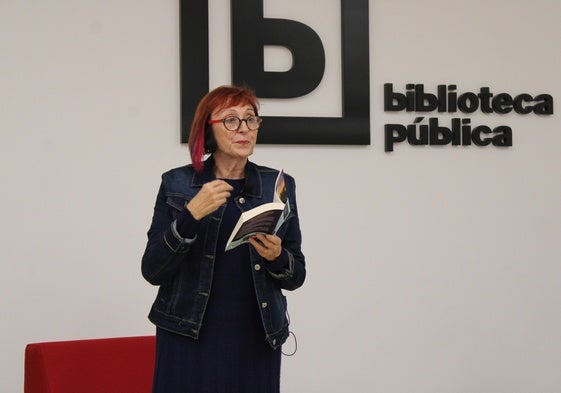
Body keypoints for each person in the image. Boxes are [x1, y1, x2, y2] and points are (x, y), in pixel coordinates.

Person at [141, 85, 306, 393]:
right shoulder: (177, 183)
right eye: (231, 120)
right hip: (187, 334)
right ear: (208, 130)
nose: (244, 128)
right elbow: (152, 270)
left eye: (250, 119)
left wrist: (277, 257)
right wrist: (191, 215)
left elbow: (297, 275)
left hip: (256, 337)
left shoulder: (277, 185)